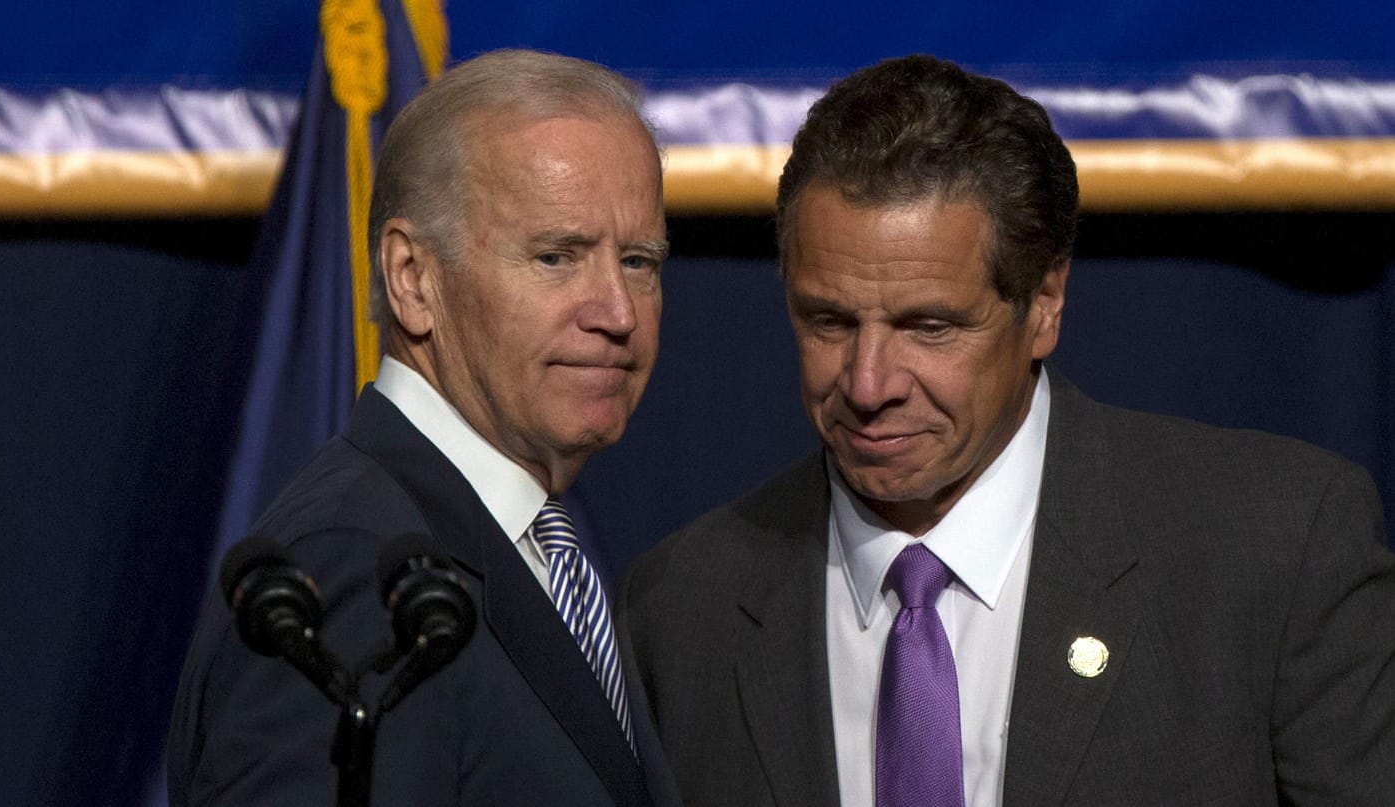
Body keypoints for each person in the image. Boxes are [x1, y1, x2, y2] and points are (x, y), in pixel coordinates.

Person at [617, 53, 1395, 806]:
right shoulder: (681, 610)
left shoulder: (1275, 551)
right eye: (829, 321)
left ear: (1045, 302)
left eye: (929, 327)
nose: (867, 383)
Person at [169, 49, 679, 807]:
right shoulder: (353, 568)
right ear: (413, 279)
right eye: (556, 256)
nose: (618, 312)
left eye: (639, 261)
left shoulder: (532, 549)